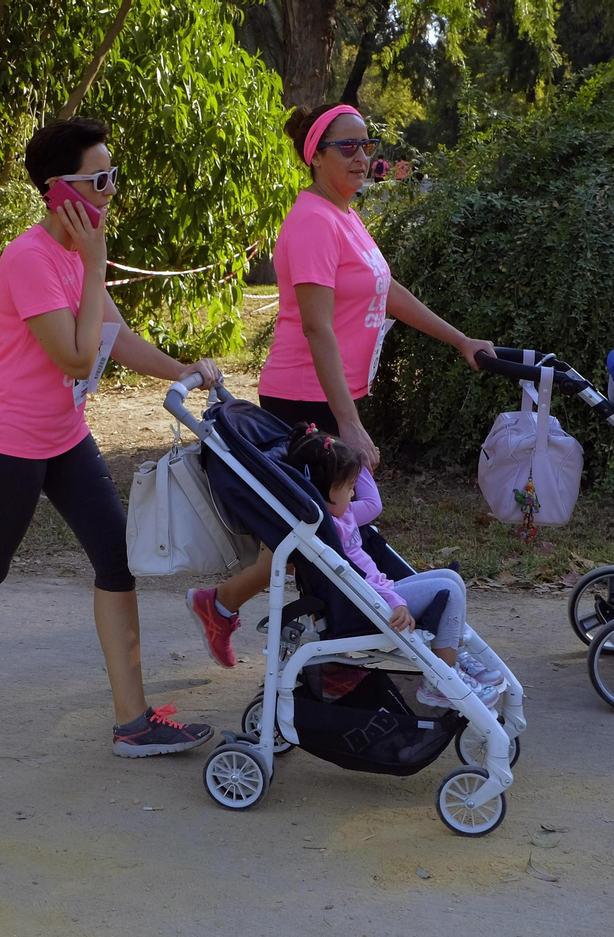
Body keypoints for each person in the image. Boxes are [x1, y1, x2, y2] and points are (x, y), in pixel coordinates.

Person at [0, 117, 220, 758]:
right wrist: (96, 259)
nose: (109, 191)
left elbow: (116, 339)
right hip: (7, 444)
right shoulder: (31, 259)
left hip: (65, 437)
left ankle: (133, 722)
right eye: (98, 180)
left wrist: (185, 368)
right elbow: (77, 358)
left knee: (116, 559)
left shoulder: (77, 257)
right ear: (57, 191)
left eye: (113, 176)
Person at [186, 102, 495, 664]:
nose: (361, 157)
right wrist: (348, 424)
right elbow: (316, 328)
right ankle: (331, 654)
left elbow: (386, 292)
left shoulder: (345, 215)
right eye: (346, 147)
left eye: (367, 144)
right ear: (316, 157)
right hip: (303, 396)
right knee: (321, 532)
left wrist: (460, 340)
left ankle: (225, 607)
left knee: (322, 530)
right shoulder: (310, 223)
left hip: (333, 395)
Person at [281, 424, 502, 709]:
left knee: (450, 578)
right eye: (347, 487)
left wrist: (358, 463)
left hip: (378, 594)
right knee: (451, 591)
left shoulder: (342, 514)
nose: (352, 495)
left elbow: (372, 504)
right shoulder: (327, 528)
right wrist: (395, 601)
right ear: (322, 492)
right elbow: (353, 578)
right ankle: (440, 682)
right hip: (369, 604)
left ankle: (453, 656)